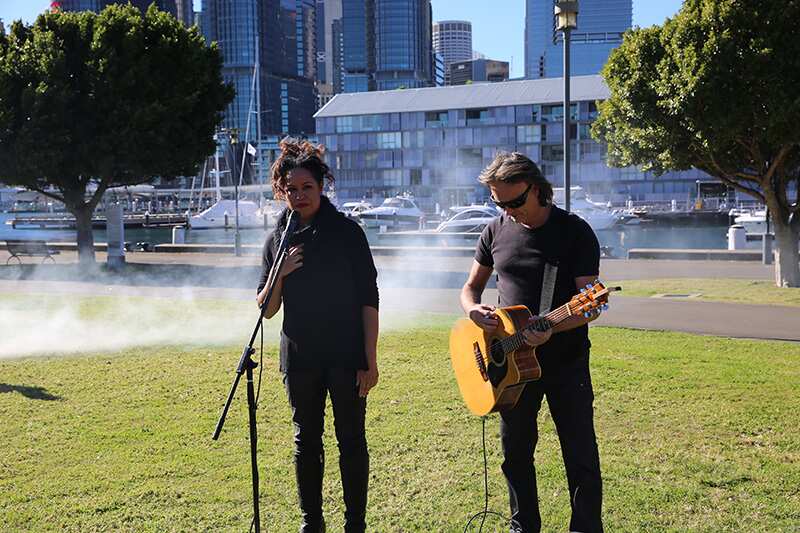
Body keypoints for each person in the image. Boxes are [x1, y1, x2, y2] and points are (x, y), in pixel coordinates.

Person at [459, 152, 604, 533]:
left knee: (580, 455)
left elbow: (590, 306)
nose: (508, 211)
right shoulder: (494, 230)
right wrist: (473, 310)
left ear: (537, 189)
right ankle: (523, 526)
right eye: (499, 203)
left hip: (566, 362)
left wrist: (553, 328)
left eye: (515, 202)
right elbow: (470, 288)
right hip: (508, 366)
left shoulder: (575, 232)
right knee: (515, 455)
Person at [257, 138, 379, 533]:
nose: (299, 195)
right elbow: (266, 307)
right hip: (300, 355)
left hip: (345, 355)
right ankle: (312, 522)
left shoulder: (347, 232)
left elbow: (369, 298)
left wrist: (369, 359)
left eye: (306, 187)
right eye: (291, 189)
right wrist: (282, 272)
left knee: (351, 440)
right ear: (282, 190)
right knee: (305, 440)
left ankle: (354, 523)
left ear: (321, 186)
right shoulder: (279, 236)